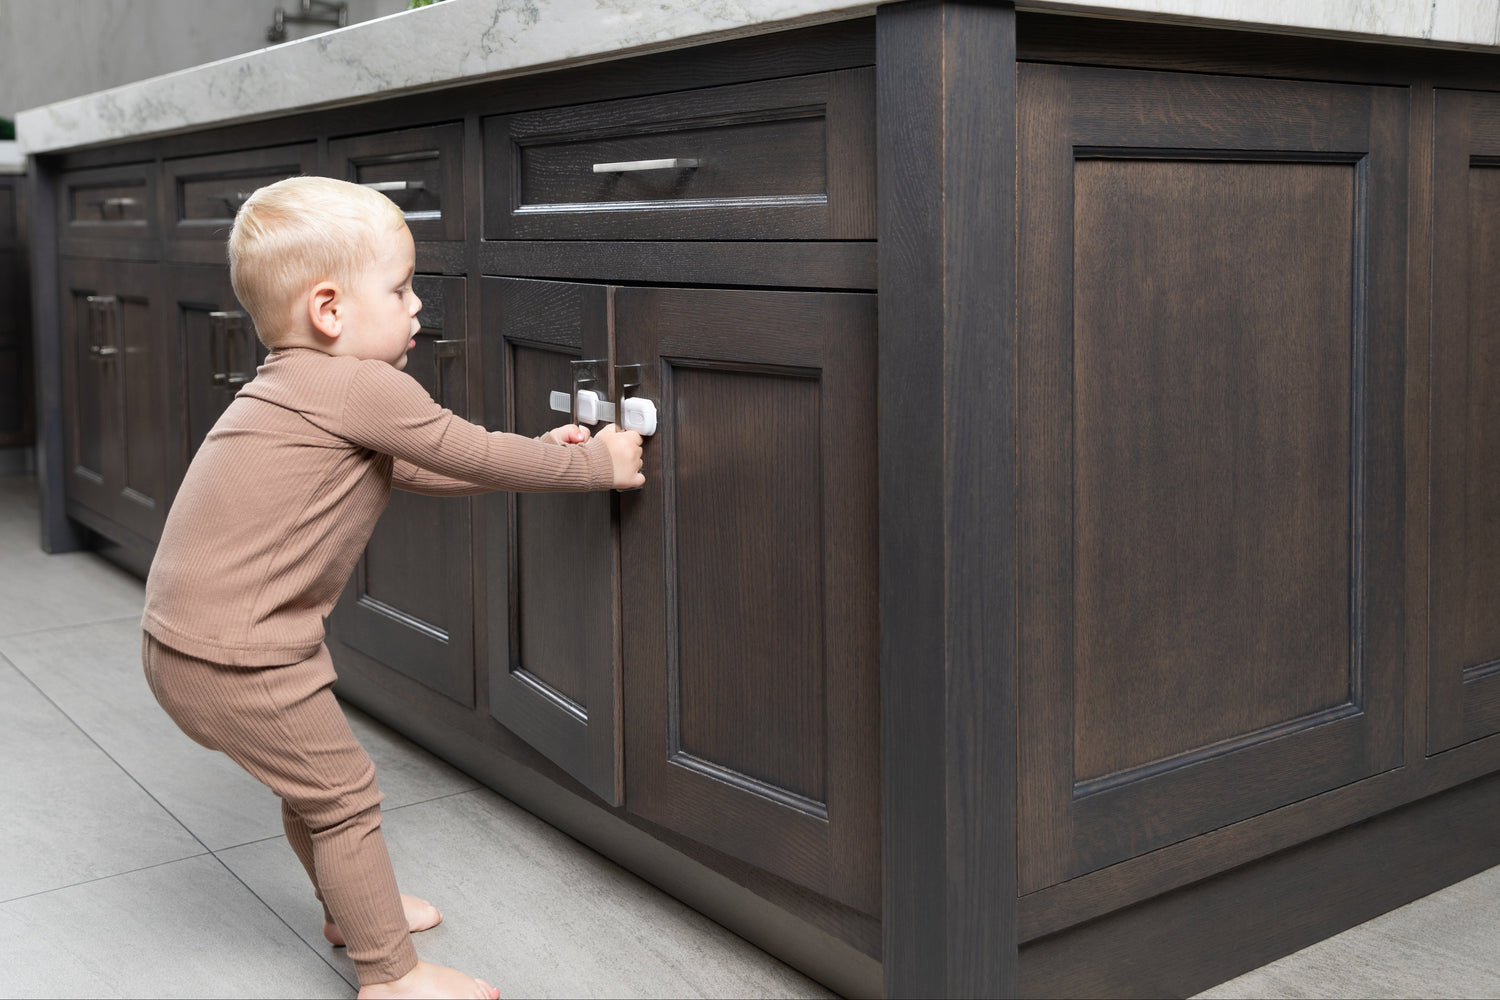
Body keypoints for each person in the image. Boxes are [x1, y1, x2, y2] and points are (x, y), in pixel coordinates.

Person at [140, 176, 643, 999]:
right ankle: (391, 977)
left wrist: (541, 454)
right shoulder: (364, 386)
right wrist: (589, 463)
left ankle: (353, 908)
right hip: (242, 658)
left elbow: (417, 465)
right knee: (341, 795)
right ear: (330, 310)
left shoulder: (293, 386)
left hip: (185, 647)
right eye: (403, 288)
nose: (418, 306)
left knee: (314, 786)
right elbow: (467, 450)